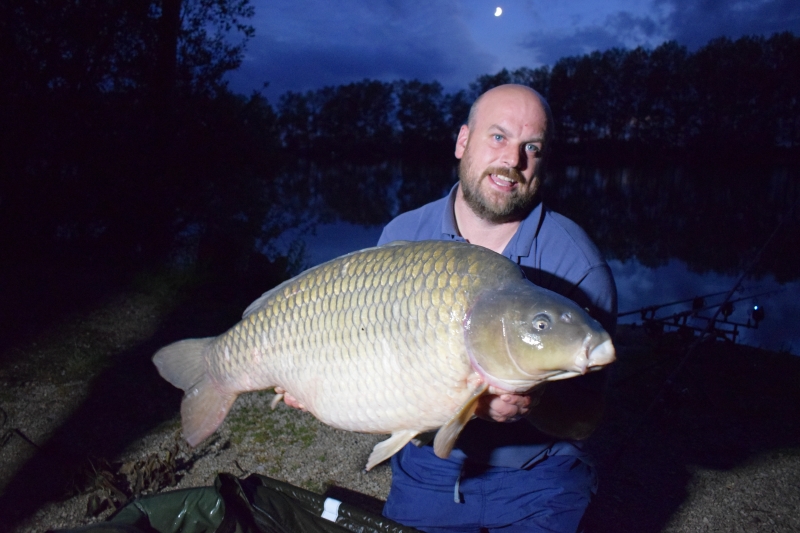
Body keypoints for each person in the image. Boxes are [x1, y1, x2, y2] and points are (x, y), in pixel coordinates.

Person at [283, 84, 616, 532]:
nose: (512, 161)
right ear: (463, 141)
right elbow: (375, 363)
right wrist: (313, 378)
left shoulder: (576, 263)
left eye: (530, 147)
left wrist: (533, 403)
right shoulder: (405, 233)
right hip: (428, 470)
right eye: (497, 137)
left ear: (543, 160)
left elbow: (585, 419)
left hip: (540, 476)